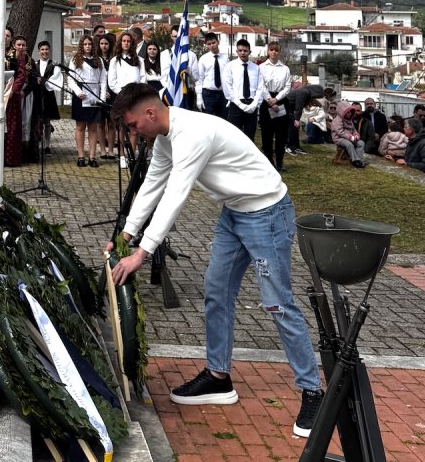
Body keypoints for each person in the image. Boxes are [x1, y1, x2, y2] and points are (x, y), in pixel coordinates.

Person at [108, 83, 323, 437]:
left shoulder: (192, 134)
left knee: (277, 304)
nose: (132, 133)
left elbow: (175, 195)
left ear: (150, 113)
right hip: (235, 212)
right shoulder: (164, 139)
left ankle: (313, 391)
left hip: (267, 214)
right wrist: (125, 235)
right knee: (216, 291)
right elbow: (153, 184)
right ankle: (218, 377)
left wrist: (142, 253)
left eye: (132, 125)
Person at [69, 35, 104, 168]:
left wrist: (101, 97)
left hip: (94, 95)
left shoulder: (98, 60)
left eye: (89, 44)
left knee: (93, 127)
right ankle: (81, 156)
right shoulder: (75, 59)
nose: (88, 46)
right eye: (85, 44)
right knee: (80, 126)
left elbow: (103, 80)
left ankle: (92, 156)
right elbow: (71, 79)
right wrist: (78, 92)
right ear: (81, 46)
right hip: (81, 96)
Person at [257, 41, 291, 170]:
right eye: (271, 50)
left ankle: (280, 162)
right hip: (267, 101)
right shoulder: (261, 67)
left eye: (276, 50)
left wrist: (276, 99)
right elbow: (260, 85)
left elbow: (287, 86)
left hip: (281, 100)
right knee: (267, 134)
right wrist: (270, 100)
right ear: (268, 51)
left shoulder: (285, 69)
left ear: (279, 52)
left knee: (281, 135)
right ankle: (269, 163)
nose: (274, 52)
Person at [222, 39, 263, 141]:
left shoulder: (256, 68)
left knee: (250, 136)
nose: (242, 53)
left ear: (249, 52)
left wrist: (254, 104)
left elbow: (260, 87)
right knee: (234, 137)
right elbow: (228, 88)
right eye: (240, 50)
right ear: (237, 51)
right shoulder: (230, 66)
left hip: (251, 105)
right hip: (236, 104)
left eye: (245, 51)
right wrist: (240, 105)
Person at [4, 35, 35, 167]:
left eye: (23, 45)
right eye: (18, 45)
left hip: (16, 94)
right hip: (2, 93)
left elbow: (23, 77)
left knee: (16, 126)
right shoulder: (6, 56)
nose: (21, 47)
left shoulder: (27, 59)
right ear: (14, 46)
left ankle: (13, 157)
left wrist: (14, 91)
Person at [32, 40, 61, 154]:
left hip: (48, 95)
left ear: (50, 50)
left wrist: (45, 82)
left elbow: (56, 79)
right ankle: (35, 144)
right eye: (42, 49)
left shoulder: (54, 65)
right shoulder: (34, 64)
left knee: (47, 120)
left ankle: (47, 145)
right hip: (36, 95)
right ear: (39, 51)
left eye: (46, 49)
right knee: (36, 119)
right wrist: (36, 81)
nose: (44, 51)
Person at [96, 32, 119, 158]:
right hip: (100, 93)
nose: (104, 46)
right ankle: (102, 150)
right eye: (101, 43)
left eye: (106, 43)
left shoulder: (114, 59)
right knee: (100, 123)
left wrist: (110, 91)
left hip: (113, 93)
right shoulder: (96, 59)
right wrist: (102, 92)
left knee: (111, 123)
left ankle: (110, 150)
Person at [194, 33, 227, 118]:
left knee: (223, 120)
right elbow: (199, 79)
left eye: (213, 42)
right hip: (208, 94)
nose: (212, 45)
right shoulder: (203, 59)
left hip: (222, 94)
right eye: (209, 44)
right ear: (206, 45)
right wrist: (199, 97)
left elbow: (229, 78)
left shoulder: (225, 59)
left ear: (218, 42)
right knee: (208, 119)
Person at [329, 101, 366, 167]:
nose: (349, 114)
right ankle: (354, 160)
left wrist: (356, 135)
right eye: (347, 112)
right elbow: (339, 132)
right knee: (349, 144)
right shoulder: (337, 120)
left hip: (350, 137)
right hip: (339, 138)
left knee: (361, 143)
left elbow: (353, 129)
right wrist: (349, 137)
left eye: (350, 112)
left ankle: (359, 159)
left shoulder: (349, 120)